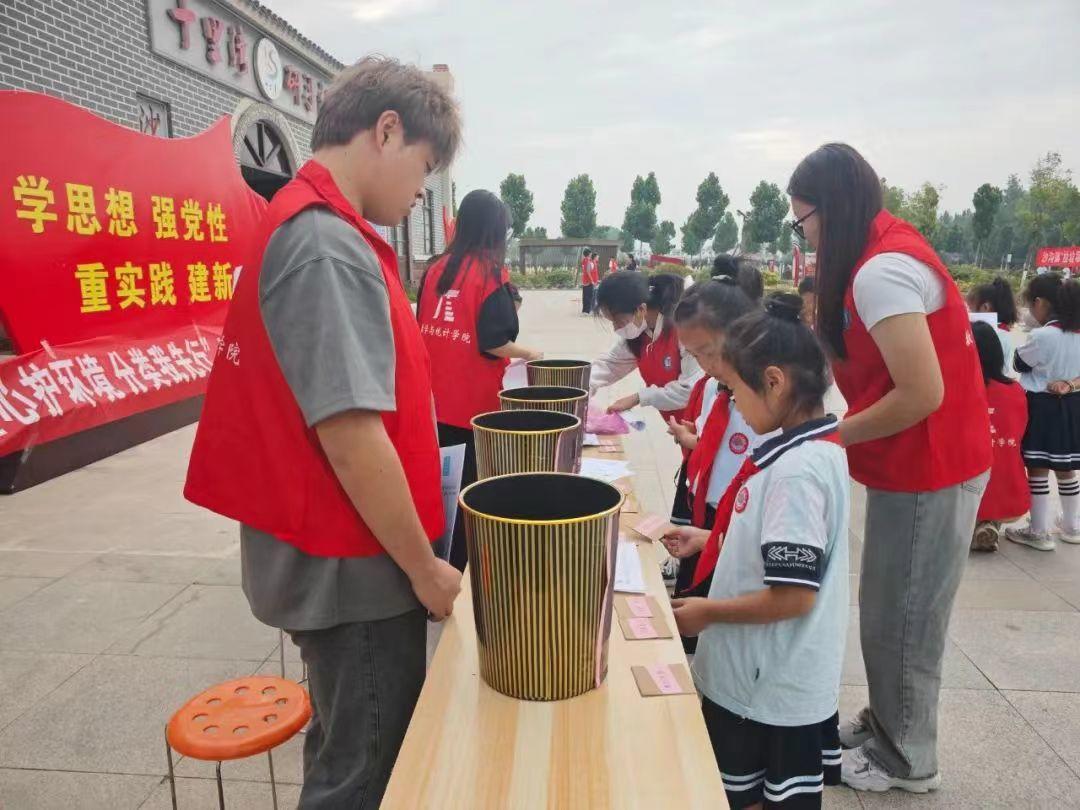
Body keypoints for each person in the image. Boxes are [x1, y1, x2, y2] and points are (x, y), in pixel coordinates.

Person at [183, 58, 464, 809]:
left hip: (345, 558)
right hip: (355, 571)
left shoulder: (317, 226)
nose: (419, 193)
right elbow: (350, 433)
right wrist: (427, 570)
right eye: (424, 169)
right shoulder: (325, 244)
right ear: (386, 130)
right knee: (364, 773)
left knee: (348, 745)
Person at [788, 143, 990, 795]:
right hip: (911, 461)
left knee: (905, 611)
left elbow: (920, 392)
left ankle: (909, 760)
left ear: (832, 209)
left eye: (803, 221)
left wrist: (830, 436)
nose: (804, 234)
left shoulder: (883, 269)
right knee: (885, 604)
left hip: (931, 464)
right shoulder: (874, 254)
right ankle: (887, 722)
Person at [671, 294, 849, 810]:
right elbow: (781, 545)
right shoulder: (811, 447)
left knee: (748, 795)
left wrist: (707, 613)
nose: (735, 408)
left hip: (765, 688)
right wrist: (711, 541)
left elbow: (793, 597)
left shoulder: (796, 473)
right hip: (766, 679)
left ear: (773, 381)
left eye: (733, 391)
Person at [417, 189, 542, 572]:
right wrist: (529, 354)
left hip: (430, 403)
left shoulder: (435, 269)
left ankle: (430, 559)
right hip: (474, 408)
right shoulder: (489, 275)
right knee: (467, 491)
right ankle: (459, 571)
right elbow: (494, 343)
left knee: (433, 488)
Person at [661, 279, 772, 653]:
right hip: (704, 517)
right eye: (695, 355)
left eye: (708, 351)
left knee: (724, 624)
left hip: (742, 523)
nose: (705, 366)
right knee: (691, 620)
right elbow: (713, 437)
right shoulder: (712, 387)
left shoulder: (764, 398)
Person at [1005, 273, 1080, 551]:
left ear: (1040, 303)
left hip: (1040, 405)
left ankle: (1038, 530)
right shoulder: (1077, 334)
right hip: (1073, 405)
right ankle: (1072, 526)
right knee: (1066, 467)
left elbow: (1020, 364)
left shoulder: (1042, 335)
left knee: (1037, 468)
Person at [589, 271, 703, 422]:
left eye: (619, 321)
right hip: (681, 425)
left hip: (705, 422)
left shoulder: (684, 329)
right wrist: (580, 387)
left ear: (641, 310)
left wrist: (640, 397)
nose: (616, 329)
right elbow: (609, 366)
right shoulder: (639, 334)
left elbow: (690, 389)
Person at [970, 321, 1029, 551]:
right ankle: (988, 525)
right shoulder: (1015, 391)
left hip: (971, 478)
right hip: (1008, 481)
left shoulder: (963, 389)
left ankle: (977, 525)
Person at [967, 276, 1018, 374]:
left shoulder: (988, 334)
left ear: (985, 307)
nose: (968, 312)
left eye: (970, 309)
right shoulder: (1004, 333)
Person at [580, 248, 595, 314]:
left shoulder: (583, 260)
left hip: (584, 280)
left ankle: (584, 310)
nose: (591, 254)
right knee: (589, 296)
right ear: (589, 254)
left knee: (585, 296)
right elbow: (588, 271)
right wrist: (592, 281)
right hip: (588, 281)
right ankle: (588, 310)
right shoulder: (588, 261)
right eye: (590, 253)